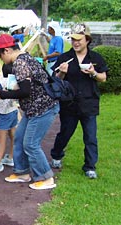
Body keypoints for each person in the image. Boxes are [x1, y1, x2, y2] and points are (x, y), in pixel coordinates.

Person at [0, 34, 59, 190]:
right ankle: (21, 172)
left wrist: (3, 94)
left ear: (6, 50)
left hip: (42, 108)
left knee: (31, 144)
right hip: (33, 108)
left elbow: (25, 91)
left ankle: (46, 177)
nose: (0, 59)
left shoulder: (20, 63)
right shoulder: (25, 58)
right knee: (19, 137)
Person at [49, 23, 108, 179]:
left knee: (90, 136)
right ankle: (56, 154)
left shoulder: (95, 58)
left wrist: (93, 72)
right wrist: (61, 73)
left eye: (79, 39)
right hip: (69, 103)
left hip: (89, 102)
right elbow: (55, 80)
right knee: (65, 133)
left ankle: (90, 167)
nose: (75, 42)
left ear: (87, 40)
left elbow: (103, 78)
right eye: (73, 39)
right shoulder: (64, 58)